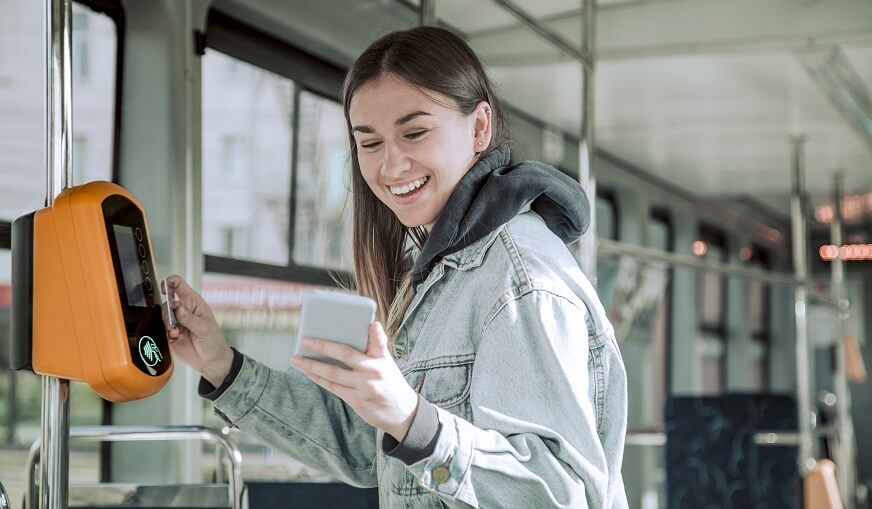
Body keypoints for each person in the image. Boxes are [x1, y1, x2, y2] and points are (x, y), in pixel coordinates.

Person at [165, 25, 628, 508]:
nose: (390, 167)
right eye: (370, 143)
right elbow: (371, 451)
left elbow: (561, 494)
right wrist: (222, 366)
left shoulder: (521, 279)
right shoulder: (439, 272)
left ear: (479, 128)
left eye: (415, 132)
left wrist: (413, 420)